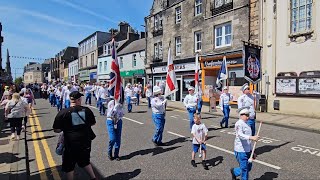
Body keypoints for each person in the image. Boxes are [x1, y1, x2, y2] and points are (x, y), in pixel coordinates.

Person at [53, 91, 96, 180]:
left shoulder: (63, 113)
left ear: (70, 100)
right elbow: (93, 123)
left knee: (69, 165)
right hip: (85, 141)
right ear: (79, 100)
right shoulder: (87, 110)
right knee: (85, 161)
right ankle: (93, 178)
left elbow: (56, 130)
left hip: (70, 143)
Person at [231, 107, 259, 180]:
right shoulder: (238, 124)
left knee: (248, 167)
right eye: (246, 115)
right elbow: (240, 135)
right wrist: (251, 137)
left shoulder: (247, 124)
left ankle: (235, 172)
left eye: (248, 115)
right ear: (241, 115)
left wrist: (252, 151)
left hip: (247, 150)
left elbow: (248, 141)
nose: (248, 117)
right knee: (245, 170)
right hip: (240, 150)